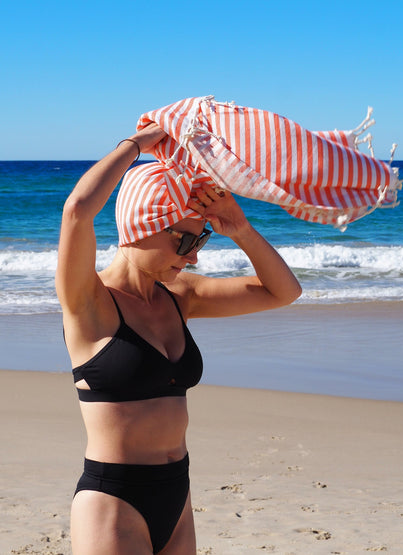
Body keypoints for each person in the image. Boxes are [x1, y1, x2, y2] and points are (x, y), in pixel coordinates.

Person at [56, 122, 302, 555]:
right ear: (139, 225)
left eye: (201, 237)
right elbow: (77, 209)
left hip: (178, 495)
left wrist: (240, 229)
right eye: (184, 238)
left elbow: (284, 292)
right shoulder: (88, 302)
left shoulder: (181, 295)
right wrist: (135, 146)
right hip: (114, 501)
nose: (194, 253)